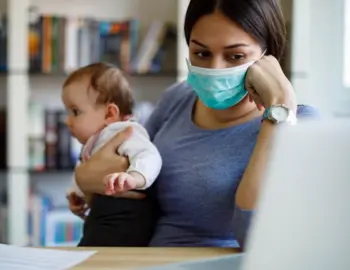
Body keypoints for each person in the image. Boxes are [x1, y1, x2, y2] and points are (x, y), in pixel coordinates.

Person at [70, 0, 321, 248]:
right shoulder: (178, 98)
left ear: (269, 56)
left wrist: (278, 108)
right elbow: (118, 185)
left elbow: (255, 237)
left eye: (235, 56)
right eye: (201, 53)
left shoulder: (300, 125)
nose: (214, 68)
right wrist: (86, 181)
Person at [63, 62, 162, 246]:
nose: (67, 121)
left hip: (126, 219)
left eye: (75, 112)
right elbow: (86, 169)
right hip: (102, 217)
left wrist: (135, 177)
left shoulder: (125, 131)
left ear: (110, 113)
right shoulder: (95, 141)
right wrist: (76, 193)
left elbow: (150, 155)